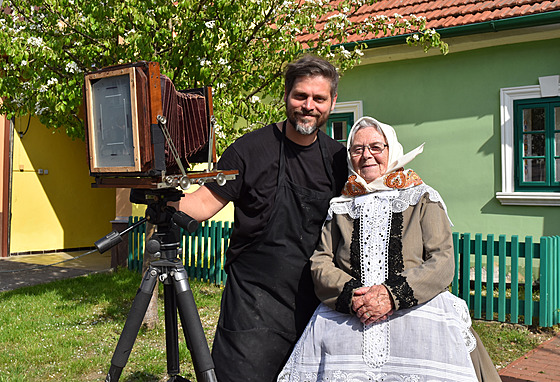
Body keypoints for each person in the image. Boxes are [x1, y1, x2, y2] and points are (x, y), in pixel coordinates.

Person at [278, 116, 501, 382]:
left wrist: (390, 295)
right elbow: (321, 262)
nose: (366, 156)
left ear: (391, 148)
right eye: (357, 149)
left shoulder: (422, 197)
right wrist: (355, 298)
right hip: (349, 316)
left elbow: (442, 261)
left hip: (418, 316)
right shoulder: (341, 205)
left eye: (376, 147)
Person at [179, 55, 348, 382]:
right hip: (253, 304)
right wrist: (162, 197)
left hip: (317, 304)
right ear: (286, 95)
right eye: (300, 96)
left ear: (332, 102)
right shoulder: (249, 150)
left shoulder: (339, 159)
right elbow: (202, 203)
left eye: (319, 98)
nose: (308, 106)